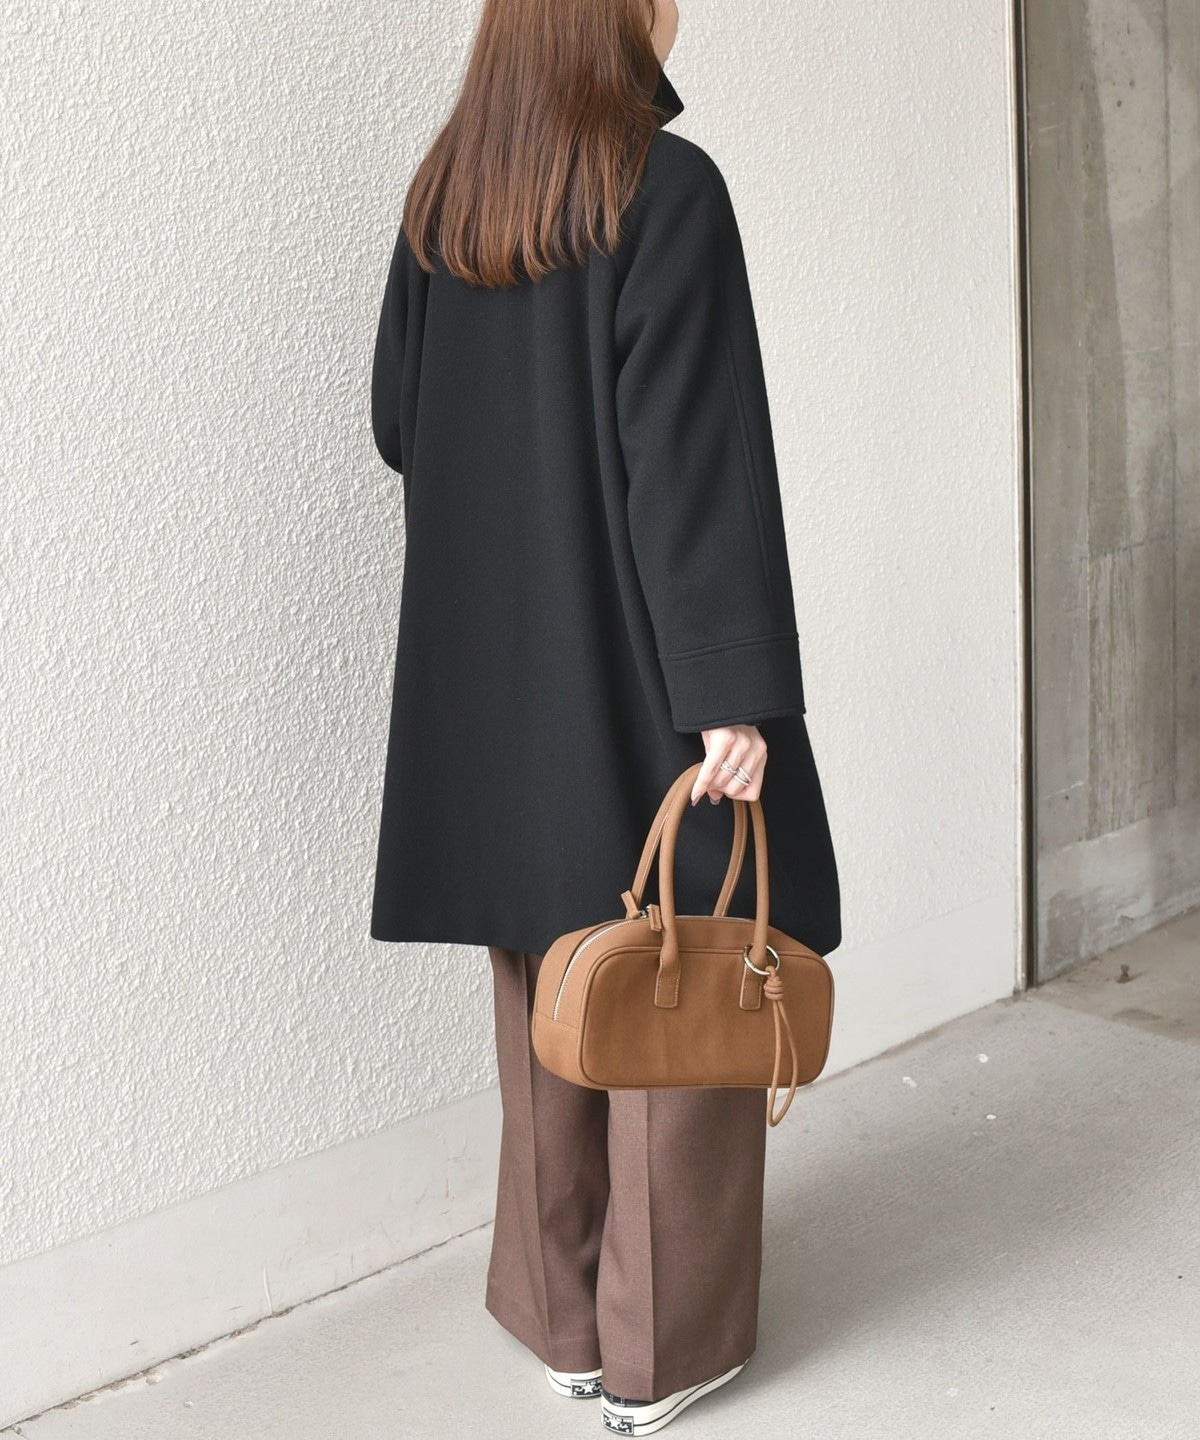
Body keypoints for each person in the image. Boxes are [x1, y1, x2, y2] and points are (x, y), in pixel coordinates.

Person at [368, 0, 841, 1431]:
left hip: (491, 684)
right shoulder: (665, 190)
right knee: (678, 981)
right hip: (636, 669)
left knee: (551, 988)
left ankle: (560, 1318)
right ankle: (660, 1353)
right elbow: (690, 456)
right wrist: (731, 692)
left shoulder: (450, 191)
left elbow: (400, 420)